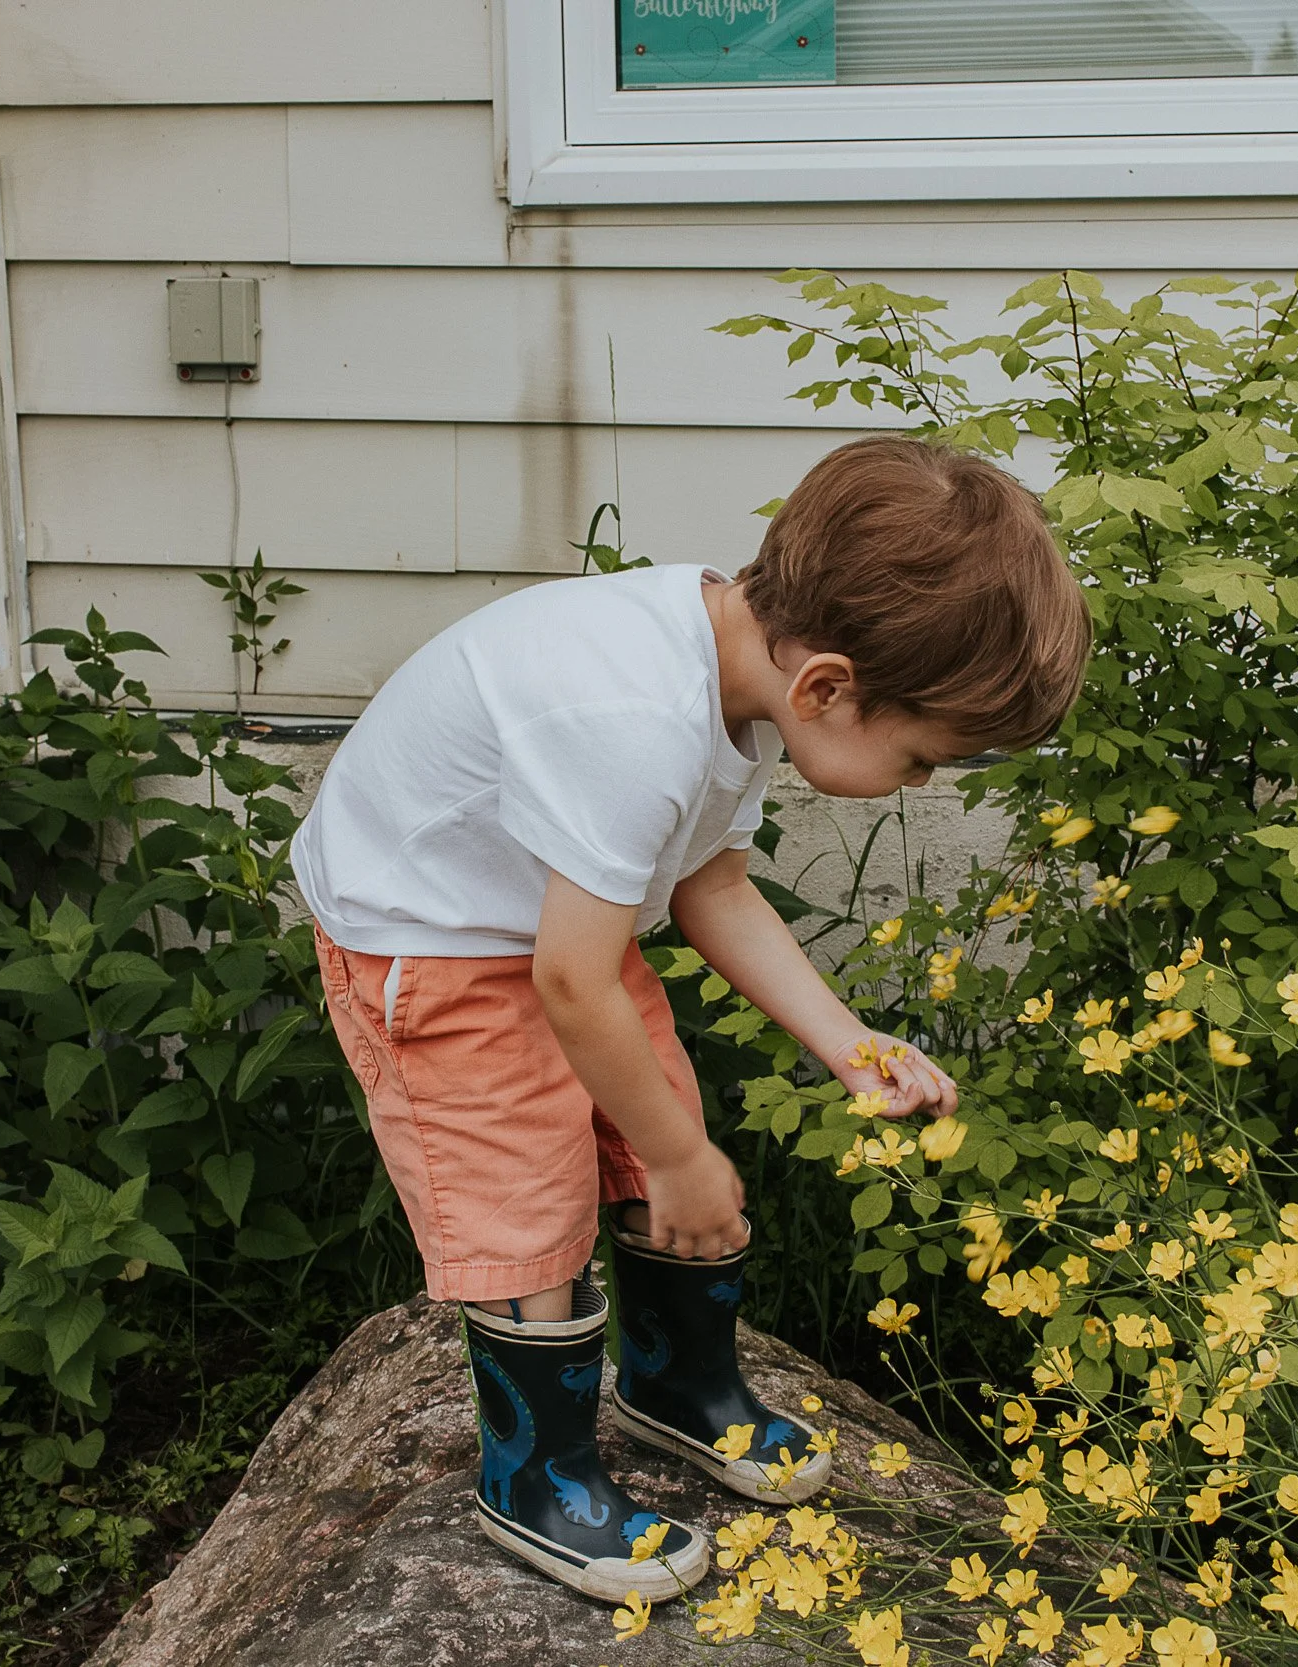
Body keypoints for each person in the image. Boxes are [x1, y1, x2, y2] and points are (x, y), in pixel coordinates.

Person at [293, 434, 1092, 1603]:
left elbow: (709, 880)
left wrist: (846, 1043)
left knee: (648, 1112)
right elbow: (572, 981)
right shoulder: (636, 718)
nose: (922, 784)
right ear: (828, 684)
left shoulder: (737, 667)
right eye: (924, 758)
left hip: (551, 917)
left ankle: (674, 1385)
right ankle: (537, 1477)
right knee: (531, 1184)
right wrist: (681, 1155)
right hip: (435, 938)